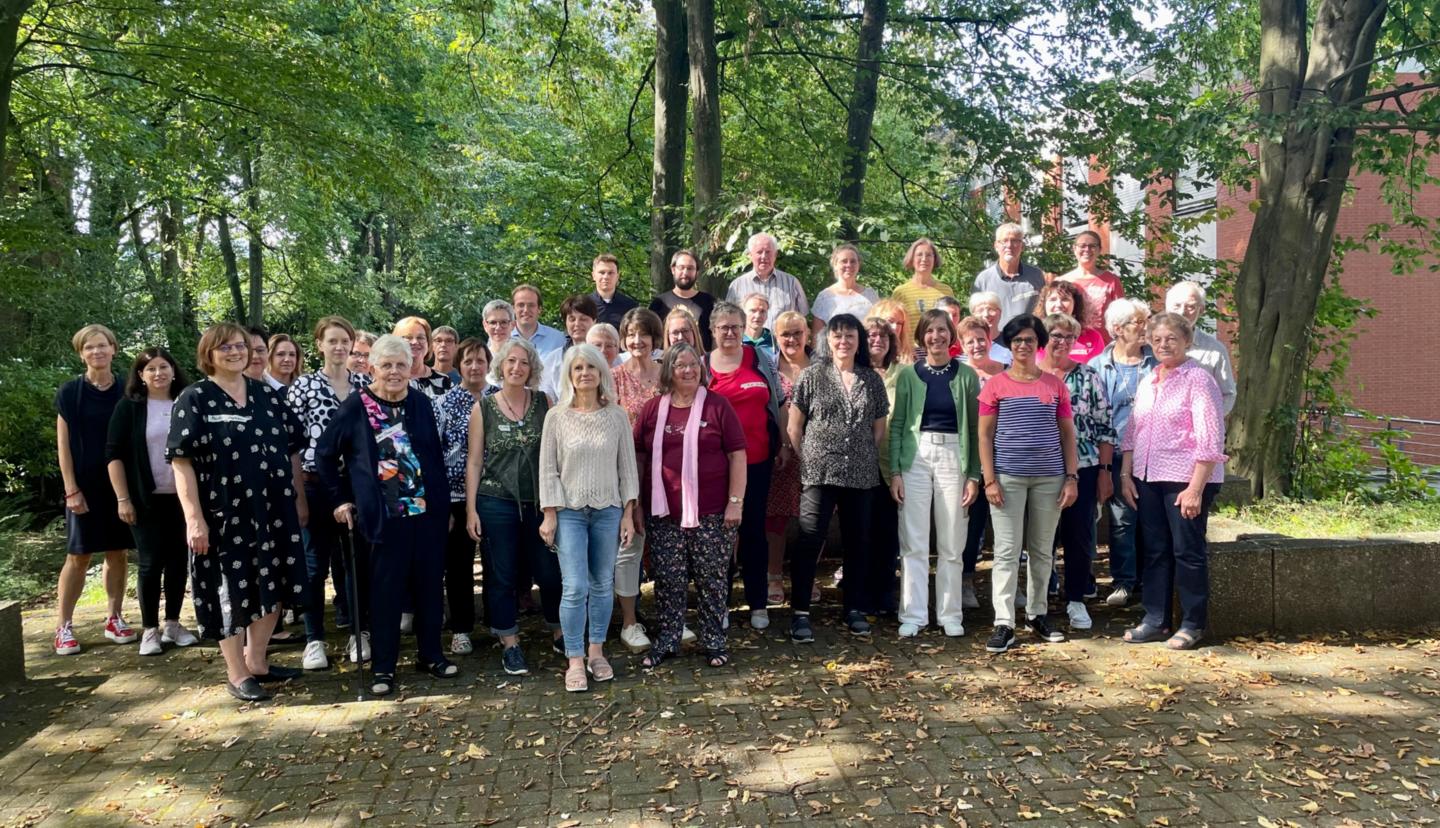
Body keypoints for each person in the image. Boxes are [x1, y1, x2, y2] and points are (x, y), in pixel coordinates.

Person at [169, 323, 309, 702]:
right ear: (208, 354)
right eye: (225, 347)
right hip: (223, 514)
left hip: (274, 509)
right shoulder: (194, 398)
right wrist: (193, 518)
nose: (235, 352)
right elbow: (181, 462)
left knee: (274, 583)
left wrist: (299, 498)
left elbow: (294, 447)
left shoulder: (267, 395)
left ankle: (258, 661)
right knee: (228, 589)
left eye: (240, 346)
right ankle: (236, 672)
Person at [316, 334, 458, 697]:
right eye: (387, 365)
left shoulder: (420, 403)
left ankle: (431, 655)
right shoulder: (356, 406)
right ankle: (383, 667)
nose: (395, 372)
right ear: (373, 368)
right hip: (383, 517)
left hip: (426, 513)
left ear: (410, 368)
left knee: (429, 586)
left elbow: (434, 457)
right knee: (385, 591)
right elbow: (325, 456)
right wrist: (340, 500)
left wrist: (443, 507)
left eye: (401, 365)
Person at [634, 344, 747, 669]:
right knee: (668, 580)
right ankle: (668, 640)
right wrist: (638, 504)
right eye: (680, 365)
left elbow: (737, 455)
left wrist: (735, 502)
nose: (688, 371)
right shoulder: (653, 409)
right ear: (669, 371)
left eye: (693, 365)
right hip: (663, 512)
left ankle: (713, 640)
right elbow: (640, 455)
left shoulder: (718, 406)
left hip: (712, 512)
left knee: (712, 579)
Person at [1120, 312, 1227, 651]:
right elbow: (1133, 428)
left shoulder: (1199, 379)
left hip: (1186, 479)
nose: (1164, 344)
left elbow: (1210, 437)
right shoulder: (1149, 378)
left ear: (1187, 341)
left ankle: (1194, 623)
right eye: (1157, 339)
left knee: (1187, 552)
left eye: (1171, 338)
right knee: (1154, 552)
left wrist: (1195, 488)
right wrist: (1126, 473)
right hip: (1148, 476)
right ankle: (1156, 619)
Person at [538, 344, 639, 692]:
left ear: (601, 373)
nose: (585, 373)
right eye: (578, 368)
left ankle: (597, 651)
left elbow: (627, 468)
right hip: (569, 512)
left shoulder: (616, 416)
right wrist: (549, 514)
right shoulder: (556, 416)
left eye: (591, 367)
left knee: (601, 584)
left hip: (608, 510)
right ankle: (575, 658)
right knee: (575, 586)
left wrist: (628, 514)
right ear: (569, 374)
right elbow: (547, 470)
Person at [977, 314, 1079, 654]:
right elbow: (985, 434)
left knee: (1042, 550)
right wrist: (989, 479)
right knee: (1006, 552)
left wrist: (1072, 477)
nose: (1023, 345)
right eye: (1017, 340)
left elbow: (1067, 433)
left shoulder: (1054, 385)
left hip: (1049, 478)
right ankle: (1003, 622)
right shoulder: (995, 385)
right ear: (1009, 344)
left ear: (1039, 344)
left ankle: (1037, 614)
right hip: (1007, 478)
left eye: (1030, 340)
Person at [787, 313, 890, 642]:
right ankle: (801, 611)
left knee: (858, 542)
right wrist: (808, 457)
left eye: (850, 336)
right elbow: (794, 426)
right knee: (809, 539)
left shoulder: (870, 379)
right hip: (819, 470)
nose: (843, 341)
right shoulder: (812, 376)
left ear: (859, 341)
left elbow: (878, 428)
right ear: (826, 340)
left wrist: (859, 454)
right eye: (837, 336)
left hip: (860, 474)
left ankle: (854, 608)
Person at [464, 337, 564, 676]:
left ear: (532, 368)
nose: (517, 368)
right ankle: (510, 642)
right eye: (511, 362)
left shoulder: (544, 402)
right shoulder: (484, 408)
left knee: (549, 573)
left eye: (523, 362)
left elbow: (554, 455)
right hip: (496, 502)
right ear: (500, 367)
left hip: (539, 502)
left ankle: (559, 631)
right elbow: (475, 462)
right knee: (502, 576)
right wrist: (471, 510)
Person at [888, 309, 982, 638]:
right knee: (913, 540)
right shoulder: (909, 375)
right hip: (916, 455)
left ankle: (949, 613)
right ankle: (913, 614)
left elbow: (976, 427)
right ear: (922, 336)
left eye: (943, 330)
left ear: (951, 335)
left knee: (952, 540)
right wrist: (896, 471)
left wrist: (974, 474)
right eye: (930, 331)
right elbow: (898, 424)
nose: (936, 337)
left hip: (955, 454)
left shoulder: (967, 376)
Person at [287, 316, 368, 670]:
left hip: (356, 485)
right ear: (319, 344)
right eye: (332, 341)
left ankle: (357, 632)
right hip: (314, 485)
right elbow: (290, 446)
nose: (339, 347)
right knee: (313, 565)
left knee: (354, 564)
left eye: (344, 341)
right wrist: (298, 497)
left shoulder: (365, 384)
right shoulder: (303, 387)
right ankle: (314, 638)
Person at [106, 347, 197, 656]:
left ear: (173, 370)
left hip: (183, 499)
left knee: (177, 562)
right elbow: (113, 455)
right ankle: (150, 630)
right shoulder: (129, 408)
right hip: (145, 499)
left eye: (163, 367)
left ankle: (173, 624)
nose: (158, 373)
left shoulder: (187, 402)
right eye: (151, 369)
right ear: (141, 376)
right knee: (149, 563)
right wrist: (123, 499)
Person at [53, 324, 135, 655]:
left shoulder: (127, 391)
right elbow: (63, 446)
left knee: (118, 552)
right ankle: (63, 627)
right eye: (89, 347)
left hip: (120, 485)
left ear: (114, 349)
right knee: (79, 555)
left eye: (102, 346)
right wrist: (71, 488)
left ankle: (114, 618)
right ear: (81, 353)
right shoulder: (70, 392)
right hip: (83, 486)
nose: (97, 352)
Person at [705, 302, 786, 630]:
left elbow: (777, 401)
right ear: (712, 330)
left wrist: (783, 443)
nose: (729, 332)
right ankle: (720, 605)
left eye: (735, 327)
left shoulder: (759, 360)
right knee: (720, 535)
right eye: (723, 327)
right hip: (715, 467)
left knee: (754, 531)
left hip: (758, 460)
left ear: (744, 329)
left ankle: (757, 603)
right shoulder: (702, 366)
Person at [1040, 313, 1116, 631]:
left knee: (1079, 536)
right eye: (1056, 335)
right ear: (1044, 338)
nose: (1062, 342)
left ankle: (1075, 600)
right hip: (1039, 470)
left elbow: (1105, 427)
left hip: (1083, 469)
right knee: (1040, 539)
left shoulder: (1089, 377)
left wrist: (1105, 471)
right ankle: (1039, 600)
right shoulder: (1030, 375)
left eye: (1069, 337)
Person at [1090, 299, 1157, 608]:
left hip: (1154, 455)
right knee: (1121, 519)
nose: (1144, 327)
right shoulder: (1096, 367)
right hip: (1114, 455)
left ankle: (1151, 582)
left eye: (1145, 321)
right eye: (1138, 322)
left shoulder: (1157, 364)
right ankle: (1124, 581)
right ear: (1117, 329)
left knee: (1151, 519)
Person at [611, 307, 664, 652]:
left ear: (654, 338)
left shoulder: (667, 375)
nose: (636, 341)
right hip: (625, 472)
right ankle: (630, 622)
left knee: (668, 547)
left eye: (643, 334)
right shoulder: (614, 377)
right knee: (629, 548)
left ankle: (670, 617)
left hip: (668, 470)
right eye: (630, 334)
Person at [436, 338, 493, 656]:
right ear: (459, 366)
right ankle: (461, 629)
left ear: (488, 364)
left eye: (480, 360)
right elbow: (432, 454)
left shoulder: (499, 399)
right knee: (457, 567)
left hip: (495, 494)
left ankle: (499, 624)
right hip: (455, 496)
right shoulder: (443, 404)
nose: (474, 366)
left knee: (497, 565)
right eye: (468, 361)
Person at [956, 315, 1007, 609]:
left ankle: (1008, 583)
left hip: (1005, 457)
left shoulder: (1006, 372)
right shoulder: (960, 374)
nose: (976, 345)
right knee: (972, 525)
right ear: (962, 345)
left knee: (1006, 525)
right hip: (971, 459)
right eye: (969, 341)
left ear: (990, 340)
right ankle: (965, 580)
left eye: (981, 339)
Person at [765, 311, 810, 607]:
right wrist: (783, 444)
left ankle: (807, 576)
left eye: (797, 333)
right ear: (776, 337)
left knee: (813, 518)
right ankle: (774, 575)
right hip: (781, 454)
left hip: (816, 453)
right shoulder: (768, 368)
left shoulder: (821, 366)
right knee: (777, 517)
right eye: (785, 334)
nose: (791, 339)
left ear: (808, 335)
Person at [862, 315, 903, 618]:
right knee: (861, 531)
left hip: (892, 464)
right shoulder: (855, 373)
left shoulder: (905, 374)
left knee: (888, 533)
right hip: (859, 465)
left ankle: (886, 592)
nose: (877, 341)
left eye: (883, 337)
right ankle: (861, 592)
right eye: (872, 336)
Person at [1165, 281, 1237, 415]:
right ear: (1167, 307)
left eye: (1190, 307)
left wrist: (1208, 421)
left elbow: (1228, 394)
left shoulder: (1214, 350)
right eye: (1176, 305)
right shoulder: (1149, 345)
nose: (1182, 312)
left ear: (1202, 310)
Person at [726, 232, 810, 326]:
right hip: (747, 341)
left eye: (768, 252)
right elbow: (728, 320)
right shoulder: (737, 286)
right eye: (759, 252)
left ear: (775, 254)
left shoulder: (791, 283)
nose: (764, 256)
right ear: (750, 255)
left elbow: (803, 319)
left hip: (784, 340)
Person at [973, 223, 1045, 327]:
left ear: (1022, 246)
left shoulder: (1036, 275)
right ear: (996, 246)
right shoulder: (983, 280)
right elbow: (977, 318)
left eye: (1015, 241)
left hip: (1029, 340)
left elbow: (1043, 310)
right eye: (1004, 241)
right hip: (996, 341)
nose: (1009, 245)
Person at [1059, 231, 1124, 339]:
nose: (1087, 250)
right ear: (1074, 249)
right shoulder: (1063, 281)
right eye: (1082, 246)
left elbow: (1122, 316)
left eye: (1092, 246)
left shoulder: (1111, 281)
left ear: (1099, 250)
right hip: (1070, 345)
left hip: (1104, 346)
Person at [650, 249, 717, 349]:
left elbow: (716, 336)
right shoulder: (659, 303)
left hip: (701, 361)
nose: (685, 272)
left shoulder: (709, 302)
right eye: (681, 268)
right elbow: (651, 336)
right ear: (673, 269)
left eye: (690, 268)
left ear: (696, 272)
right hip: (667, 361)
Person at [540, 294, 600, 398]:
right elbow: (546, 397)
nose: (577, 324)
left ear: (594, 321)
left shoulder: (604, 355)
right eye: (572, 319)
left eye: (583, 319)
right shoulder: (554, 359)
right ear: (566, 323)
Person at [891, 238, 954, 336]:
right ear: (912, 259)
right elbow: (893, 326)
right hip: (910, 350)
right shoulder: (900, 292)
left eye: (929, 255)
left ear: (935, 259)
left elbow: (952, 324)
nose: (924, 259)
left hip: (939, 347)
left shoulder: (946, 291)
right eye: (919, 255)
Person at [811, 244, 878, 334]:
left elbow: (879, 329)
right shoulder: (825, 297)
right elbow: (817, 338)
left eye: (853, 261)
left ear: (859, 265)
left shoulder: (871, 295)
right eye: (844, 261)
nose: (849, 265)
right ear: (835, 265)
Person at [1034, 282, 1105, 363]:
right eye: (1052, 299)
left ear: (1075, 304)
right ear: (1044, 305)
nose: (1058, 304)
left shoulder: (1093, 337)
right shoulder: (1033, 336)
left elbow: (1100, 371)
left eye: (1065, 299)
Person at [393, 316, 454, 400]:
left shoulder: (444, 381)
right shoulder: (386, 379)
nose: (415, 342)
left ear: (428, 343)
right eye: (408, 337)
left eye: (420, 337)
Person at [512, 284, 566, 357]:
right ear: (513, 309)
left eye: (531, 305)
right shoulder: (503, 338)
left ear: (539, 309)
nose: (526, 310)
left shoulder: (558, 339)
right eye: (521, 305)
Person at [590, 253, 639, 327]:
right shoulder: (584, 305)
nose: (606, 277)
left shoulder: (630, 307)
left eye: (610, 273)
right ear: (593, 275)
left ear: (617, 276)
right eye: (602, 272)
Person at [969, 291, 1014, 363]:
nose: (986, 314)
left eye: (991, 309)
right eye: (980, 310)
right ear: (973, 315)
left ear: (1000, 313)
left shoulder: (1012, 341)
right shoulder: (968, 343)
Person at [868, 298, 914, 364]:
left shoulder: (915, 355)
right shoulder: (860, 353)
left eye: (899, 323)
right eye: (890, 321)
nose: (895, 327)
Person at [741, 293, 777, 361]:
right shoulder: (736, 339)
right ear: (743, 313)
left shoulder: (775, 341)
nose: (758, 316)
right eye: (753, 311)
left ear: (767, 315)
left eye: (762, 311)